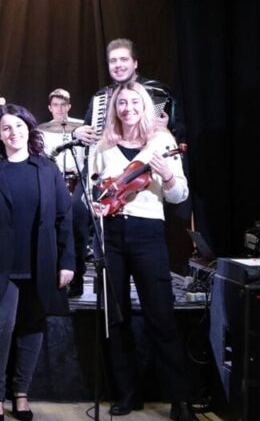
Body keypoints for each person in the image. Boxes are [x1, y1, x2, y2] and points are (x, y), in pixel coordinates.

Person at [88, 82, 195, 421]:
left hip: (148, 232)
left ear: (145, 106)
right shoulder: (103, 145)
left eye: (135, 102)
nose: (128, 108)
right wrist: (96, 204)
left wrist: (168, 176)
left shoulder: (162, 142)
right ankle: (126, 393)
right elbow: (92, 189)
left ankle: (179, 399)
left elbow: (179, 196)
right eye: (122, 103)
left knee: (161, 315)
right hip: (112, 234)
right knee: (116, 317)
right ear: (115, 109)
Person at [0, 104, 75, 421]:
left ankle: (21, 392)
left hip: (41, 264)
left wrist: (67, 262)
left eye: (19, 126)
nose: (14, 132)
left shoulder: (48, 169)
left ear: (29, 128)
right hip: (1, 266)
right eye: (6, 128)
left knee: (32, 328)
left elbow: (64, 218)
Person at [73, 39, 181, 145]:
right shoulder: (101, 96)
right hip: (109, 154)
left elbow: (179, 132)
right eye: (113, 61)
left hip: (146, 154)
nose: (118, 65)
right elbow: (87, 131)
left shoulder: (157, 91)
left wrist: (167, 128)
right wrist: (77, 133)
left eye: (123, 59)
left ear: (135, 63)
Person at [38, 88, 88, 297]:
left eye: (63, 105)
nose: (59, 109)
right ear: (50, 108)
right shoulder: (43, 131)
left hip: (79, 182)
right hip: (55, 182)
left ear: (69, 106)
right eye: (55, 105)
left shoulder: (82, 127)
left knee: (78, 232)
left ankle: (78, 280)